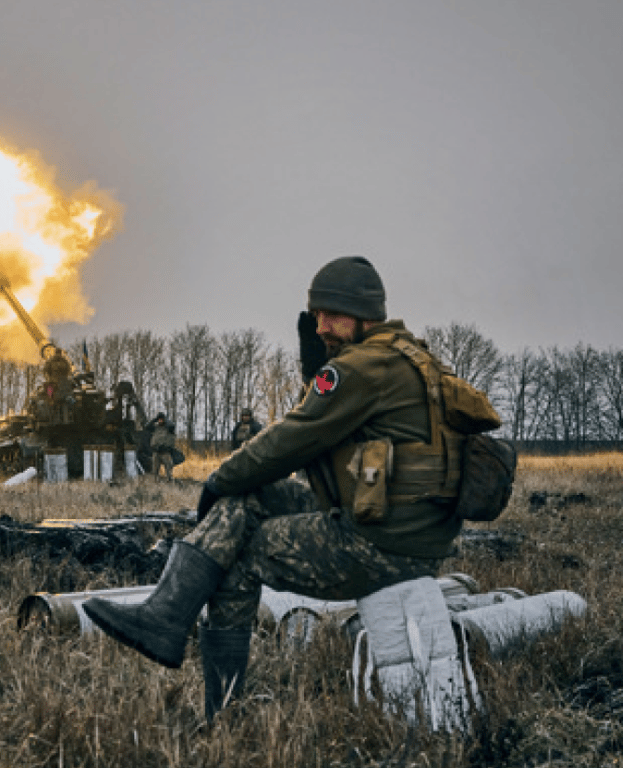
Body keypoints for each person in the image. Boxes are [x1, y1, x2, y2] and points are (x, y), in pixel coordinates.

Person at [83, 255, 486, 722]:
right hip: (409, 530)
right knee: (249, 500)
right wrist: (311, 380)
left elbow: (292, 438)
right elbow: (324, 429)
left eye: (332, 315)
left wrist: (219, 479)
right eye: (316, 315)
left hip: (382, 545)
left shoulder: (359, 368)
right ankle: (165, 617)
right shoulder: (411, 356)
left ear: (363, 314)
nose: (321, 327)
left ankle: (221, 711)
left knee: (240, 557)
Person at [149, 413, 177, 480]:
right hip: (156, 451)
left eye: (161, 419)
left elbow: (172, 425)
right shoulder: (155, 428)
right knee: (155, 469)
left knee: (168, 467)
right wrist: (154, 419)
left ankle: (169, 480)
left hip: (165, 451)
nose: (160, 421)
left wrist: (165, 419)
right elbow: (147, 426)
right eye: (159, 419)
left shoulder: (169, 428)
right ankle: (155, 481)